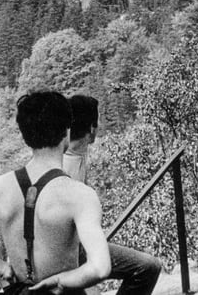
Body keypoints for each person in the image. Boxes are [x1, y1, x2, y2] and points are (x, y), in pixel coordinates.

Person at [0, 92, 111, 294]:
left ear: (25, 135)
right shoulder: (80, 196)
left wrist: (2, 268)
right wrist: (59, 280)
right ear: (67, 131)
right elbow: (100, 268)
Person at [65, 94, 163, 295]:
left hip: (75, 246)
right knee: (148, 267)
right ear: (92, 129)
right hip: (71, 250)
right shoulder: (68, 168)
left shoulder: (73, 154)